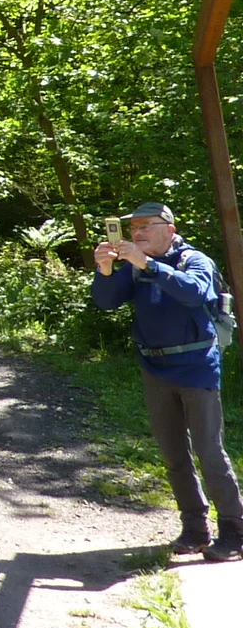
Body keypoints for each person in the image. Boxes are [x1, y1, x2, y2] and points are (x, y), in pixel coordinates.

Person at [94, 203, 243, 559]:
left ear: (170, 230)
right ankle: (195, 528)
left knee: (208, 450)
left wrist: (147, 263)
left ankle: (235, 531)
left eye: (147, 226)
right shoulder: (135, 266)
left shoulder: (194, 260)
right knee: (173, 453)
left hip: (196, 366)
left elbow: (193, 292)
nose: (138, 233)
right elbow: (106, 301)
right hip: (155, 369)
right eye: (134, 228)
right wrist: (104, 268)